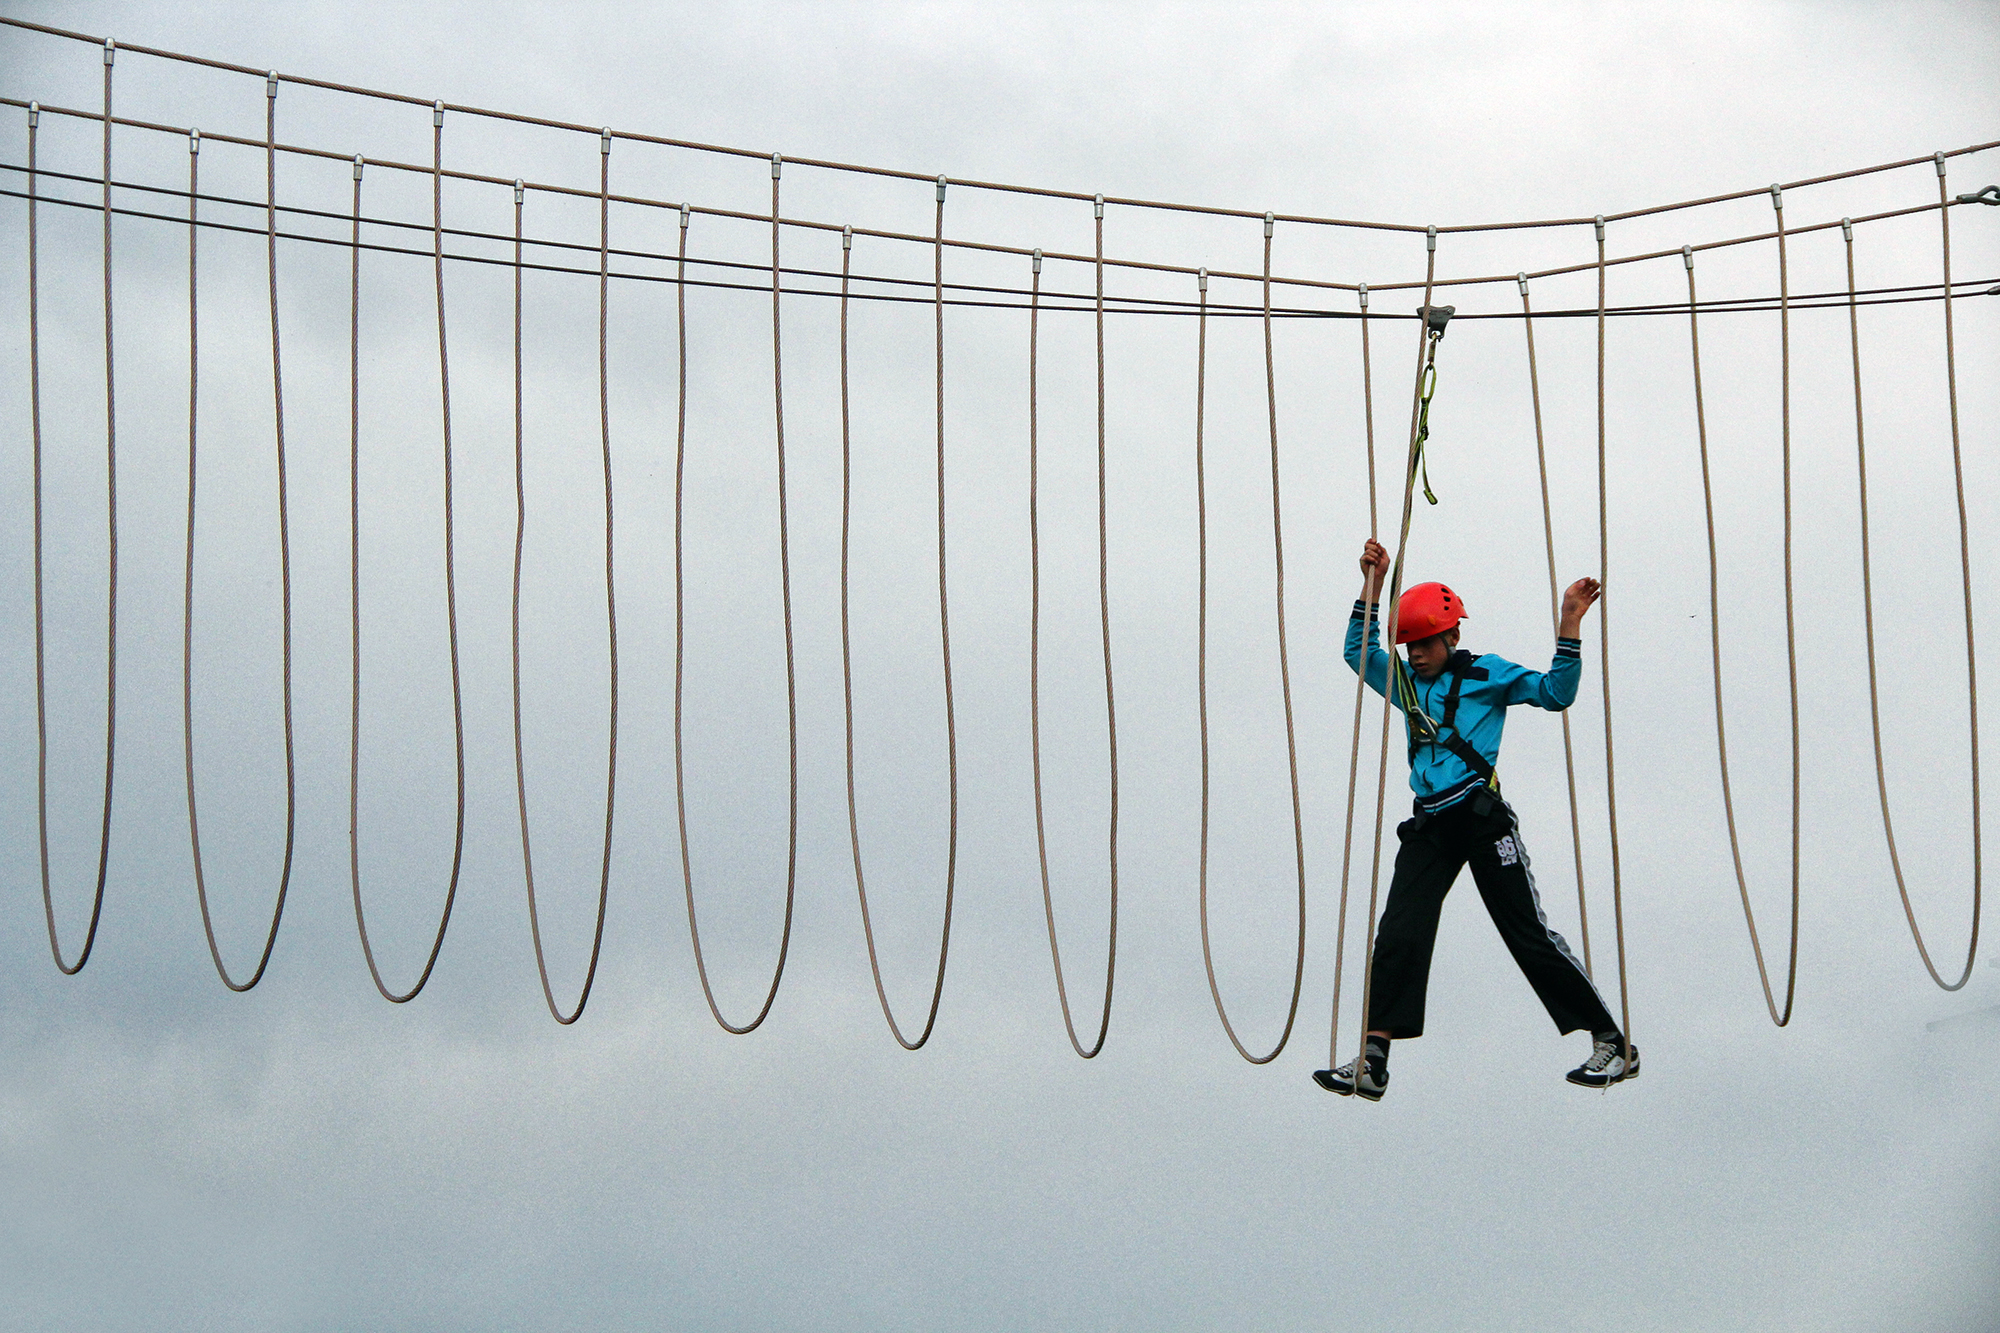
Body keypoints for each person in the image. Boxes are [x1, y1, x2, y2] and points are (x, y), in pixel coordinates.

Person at [1314, 537, 1635, 1100]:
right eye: (1408, 644)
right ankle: (1373, 1058)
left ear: (1453, 637)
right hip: (1431, 823)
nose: (1413, 654)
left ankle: (1611, 1041)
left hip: (1482, 820)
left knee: (1526, 934)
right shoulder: (1407, 685)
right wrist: (1372, 581)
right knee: (1398, 932)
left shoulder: (1488, 675)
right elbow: (1358, 653)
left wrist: (1569, 624)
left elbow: (1556, 694)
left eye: (1423, 643)